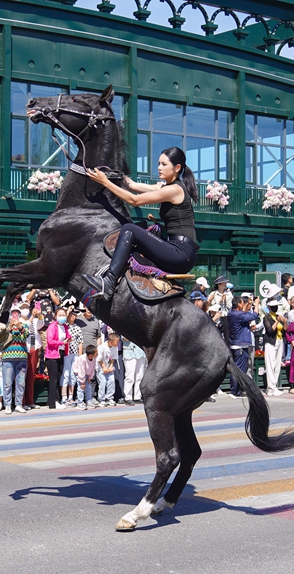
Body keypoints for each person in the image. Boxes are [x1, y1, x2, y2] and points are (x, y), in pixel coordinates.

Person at [83, 146, 199, 300]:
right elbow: (131, 185)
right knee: (140, 227)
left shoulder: (175, 190)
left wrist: (104, 182)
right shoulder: (165, 187)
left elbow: (134, 201)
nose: (159, 168)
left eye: (164, 164)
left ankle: (109, 282)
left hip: (181, 253)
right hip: (178, 250)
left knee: (130, 229)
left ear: (177, 168)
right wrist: (113, 173)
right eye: (158, 163)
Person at [227, 296, 259, 398]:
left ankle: (237, 390)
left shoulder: (232, 313)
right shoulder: (238, 315)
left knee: (240, 368)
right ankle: (234, 391)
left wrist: (248, 304)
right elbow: (254, 315)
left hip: (237, 344)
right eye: (242, 302)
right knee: (239, 369)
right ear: (239, 304)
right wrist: (257, 304)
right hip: (240, 345)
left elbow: (245, 314)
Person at [0, 309, 29, 414]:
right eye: (13, 314)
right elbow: (0, 339)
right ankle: (7, 405)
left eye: (16, 314)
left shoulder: (24, 325)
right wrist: (9, 328)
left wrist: (19, 325)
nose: (14, 316)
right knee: (7, 382)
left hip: (22, 357)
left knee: (21, 383)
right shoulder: (4, 326)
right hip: (8, 357)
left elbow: (26, 334)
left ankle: (18, 404)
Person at [45, 308, 70, 409]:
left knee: (59, 377)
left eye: (63, 315)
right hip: (52, 354)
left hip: (61, 352)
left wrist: (69, 339)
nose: (62, 317)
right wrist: (61, 342)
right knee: (53, 379)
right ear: (55, 316)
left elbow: (67, 336)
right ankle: (53, 402)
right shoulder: (52, 326)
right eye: (59, 315)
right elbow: (50, 341)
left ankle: (55, 399)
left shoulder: (65, 326)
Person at [262, 299, 286, 396]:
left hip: (279, 341)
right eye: (274, 306)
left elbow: (285, 330)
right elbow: (270, 331)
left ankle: (274, 386)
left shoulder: (278, 316)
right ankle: (270, 387)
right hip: (270, 342)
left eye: (277, 306)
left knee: (277, 364)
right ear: (269, 307)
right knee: (270, 364)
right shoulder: (266, 318)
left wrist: (285, 322)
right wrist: (277, 321)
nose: (276, 308)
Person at [61, 309, 84, 406]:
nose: (72, 316)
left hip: (74, 354)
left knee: (73, 375)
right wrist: (67, 311)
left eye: (74, 315)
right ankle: (64, 397)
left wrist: (79, 356)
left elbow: (80, 343)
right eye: (71, 314)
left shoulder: (78, 328)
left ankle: (71, 397)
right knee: (65, 374)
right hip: (66, 352)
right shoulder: (64, 326)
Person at [96, 332, 120, 406]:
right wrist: (104, 367)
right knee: (103, 382)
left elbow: (114, 358)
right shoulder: (101, 348)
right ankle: (101, 399)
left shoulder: (115, 347)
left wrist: (110, 366)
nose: (117, 343)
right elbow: (99, 359)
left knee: (111, 381)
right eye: (116, 342)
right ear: (110, 342)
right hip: (100, 367)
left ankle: (109, 397)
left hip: (109, 367)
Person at [73, 344, 97, 410]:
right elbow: (81, 370)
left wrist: (90, 377)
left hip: (87, 374)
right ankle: (80, 403)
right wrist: (82, 382)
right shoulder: (82, 359)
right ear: (90, 355)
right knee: (81, 388)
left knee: (88, 387)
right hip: (79, 373)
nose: (97, 354)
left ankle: (88, 401)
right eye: (96, 353)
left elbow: (93, 368)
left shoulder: (94, 359)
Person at [122, 337, 146, 405]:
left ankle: (137, 396)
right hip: (129, 352)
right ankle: (128, 397)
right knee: (130, 376)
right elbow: (125, 338)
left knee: (140, 376)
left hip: (140, 352)